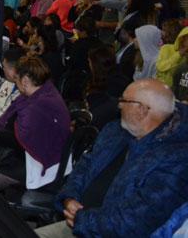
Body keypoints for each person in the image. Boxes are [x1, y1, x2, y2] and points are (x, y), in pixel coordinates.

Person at [36, 80, 188, 238]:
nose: (119, 105)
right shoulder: (115, 131)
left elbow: (137, 223)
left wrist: (82, 219)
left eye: (124, 100)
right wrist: (69, 197)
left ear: (142, 110)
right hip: (80, 222)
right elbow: (84, 165)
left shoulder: (178, 159)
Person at [0, 56, 70, 191]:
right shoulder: (43, 92)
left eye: (17, 80)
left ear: (24, 81)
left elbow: (21, 142)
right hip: (31, 157)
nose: (16, 84)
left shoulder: (39, 106)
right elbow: (9, 120)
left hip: (42, 167)